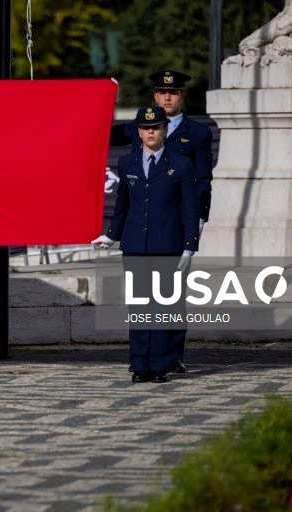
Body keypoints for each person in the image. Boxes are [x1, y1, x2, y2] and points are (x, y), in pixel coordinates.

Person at [110, 69, 213, 373]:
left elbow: (203, 179)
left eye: (173, 93)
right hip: (143, 228)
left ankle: (171, 354)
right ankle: (146, 358)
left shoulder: (197, 134)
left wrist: (199, 220)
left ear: (182, 96)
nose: (167, 97)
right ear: (155, 95)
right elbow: (104, 134)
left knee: (171, 296)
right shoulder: (139, 127)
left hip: (177, 223)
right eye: (161, 92)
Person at [93, 106, 200, 384]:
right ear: (138, 132)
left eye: (155, 127)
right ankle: (140, 364)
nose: (150, 132)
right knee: (140, 307)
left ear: (165, 130)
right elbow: (123, 205)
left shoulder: (181, 164)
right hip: (135, 245)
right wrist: (111, 234)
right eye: (145, 128)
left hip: (168, 246)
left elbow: (190, 209)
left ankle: (161, 364)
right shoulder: (127, 163)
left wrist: (189, 246)